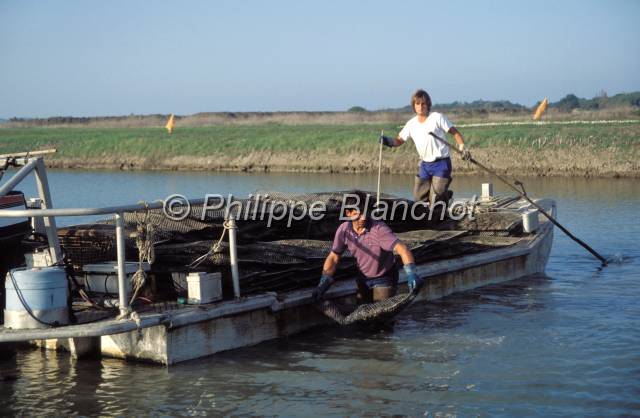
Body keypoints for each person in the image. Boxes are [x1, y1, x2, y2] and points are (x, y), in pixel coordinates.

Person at [312, 193, 423, 303]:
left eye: (366, 213)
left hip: (384, 276)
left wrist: (412, 273)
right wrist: (324, 281)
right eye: (358, 214)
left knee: (381, 314)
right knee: (363, 311)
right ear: (348, 213)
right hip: (363, 277)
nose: (363, 218)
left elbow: (402, 249)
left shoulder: (379, 229)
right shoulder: (344, 230)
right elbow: (334, 256)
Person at [380, 89, 470, 205]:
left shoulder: (437, 117)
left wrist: (462, 147)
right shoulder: (411, 124)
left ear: (428, 105)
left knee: (436, 197)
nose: (421, 106)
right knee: (418, 197)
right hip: (425, 165)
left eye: (423, 103)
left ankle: (443, 198)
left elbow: (455, 133)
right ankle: (429, 211)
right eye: (418, 104)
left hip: (441, 163)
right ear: (414, 106)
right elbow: (399, 140)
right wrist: (387, 141)